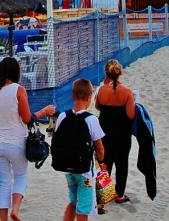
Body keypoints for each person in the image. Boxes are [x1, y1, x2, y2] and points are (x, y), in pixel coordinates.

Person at [0, 57, 55, 221]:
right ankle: (15, 210)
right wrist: (44, 112)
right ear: (16, 72)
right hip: (16, 142)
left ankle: (3, 219)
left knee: (3, 182)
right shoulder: (19, 90)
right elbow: (27, 119)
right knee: (20, 176)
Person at [57, 78, 106, 219]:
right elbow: (100, 148)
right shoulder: (91, 120)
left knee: (73, 201)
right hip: (85, 171)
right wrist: (101, 161)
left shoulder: (62, 116)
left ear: (72, 96)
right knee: (83, 208)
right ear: (89, 97)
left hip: (68, 168)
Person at [94, 60, 135, 205]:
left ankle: (105, 195)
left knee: (105, 162)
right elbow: (130, 115)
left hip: (104, 131)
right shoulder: (127, 92)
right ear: (119, 73)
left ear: (106, 73)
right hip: (122, 133)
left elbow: (98, 107)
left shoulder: (101, 90)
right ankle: (119, 194)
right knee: (122, 163)